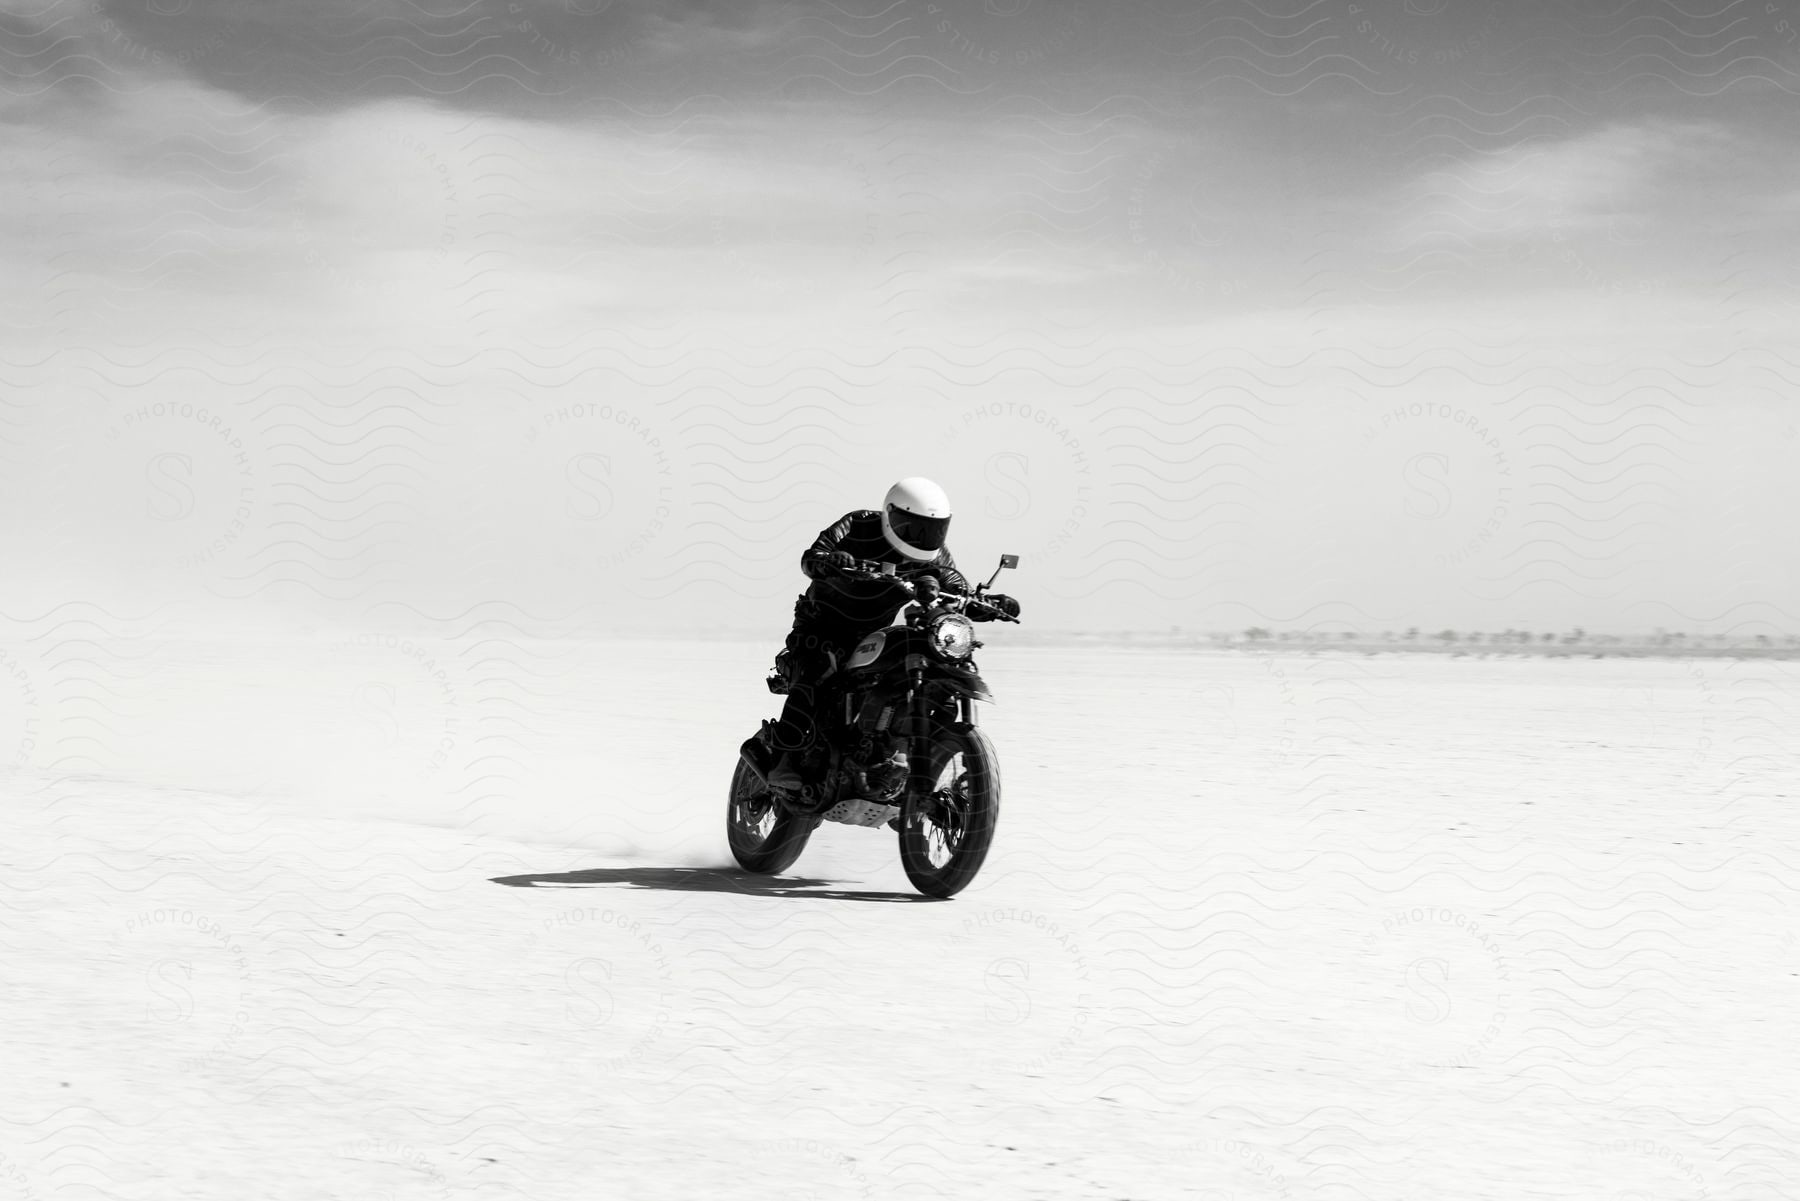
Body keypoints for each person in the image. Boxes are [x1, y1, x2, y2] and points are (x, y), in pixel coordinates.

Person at [740, 477, 1021, 793]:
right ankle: (783, 762)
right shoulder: (858, 524)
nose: (923, 538)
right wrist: (830, 560)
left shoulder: (936, 554)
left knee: (920, 657)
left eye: (932, 530)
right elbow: (812, 556)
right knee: (817, 666)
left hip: (873, 635)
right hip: (822, 626)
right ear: (891, 514)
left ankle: (902, 759)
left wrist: (982, 602)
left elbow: (953, 585)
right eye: (914, 529)